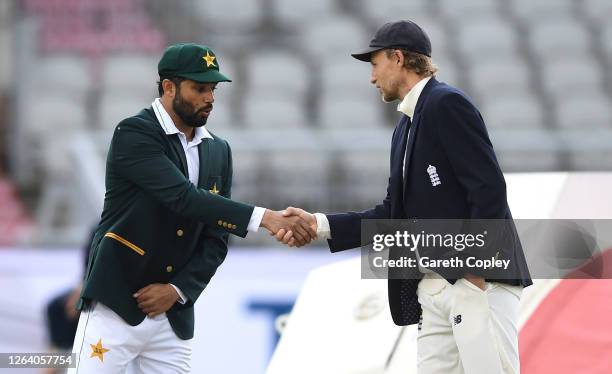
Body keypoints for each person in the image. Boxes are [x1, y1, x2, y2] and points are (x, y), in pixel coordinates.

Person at [277, 21, 532, 374]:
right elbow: (392, 214)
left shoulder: (447, 104)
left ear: (398, 58)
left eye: (374, 63)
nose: (371, 77)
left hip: (474, 281)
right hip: (431, 288)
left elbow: (488, 188)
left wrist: (475, 269)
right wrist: (319, 224)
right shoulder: (404, 127)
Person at [67, 43, 315, 374]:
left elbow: (216, 239)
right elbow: (183, 198)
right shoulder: (134, 133)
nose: (210, 97)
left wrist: (177, 290)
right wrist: (265, 218)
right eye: (199, 88)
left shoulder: (219, 150)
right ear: (168, 87)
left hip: (172, 317)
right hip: (115, 305)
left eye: (212, 88)